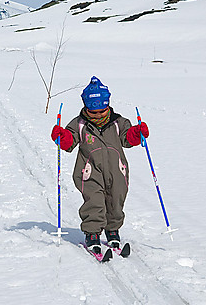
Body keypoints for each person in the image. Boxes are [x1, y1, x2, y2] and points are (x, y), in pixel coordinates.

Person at [50, 76, 149, 254]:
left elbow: (128, 139)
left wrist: (137, 133)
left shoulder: (119, 123)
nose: (98, 115)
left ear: (107, 106)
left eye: (102, 111)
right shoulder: (79, 124)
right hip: (89, 172)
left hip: (117, 171)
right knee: (94, 202)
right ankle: (93, 234)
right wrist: (62, 137)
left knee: (116, 201)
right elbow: (69, 143)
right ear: (86, 107)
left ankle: (113, 230)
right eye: (93, 112)